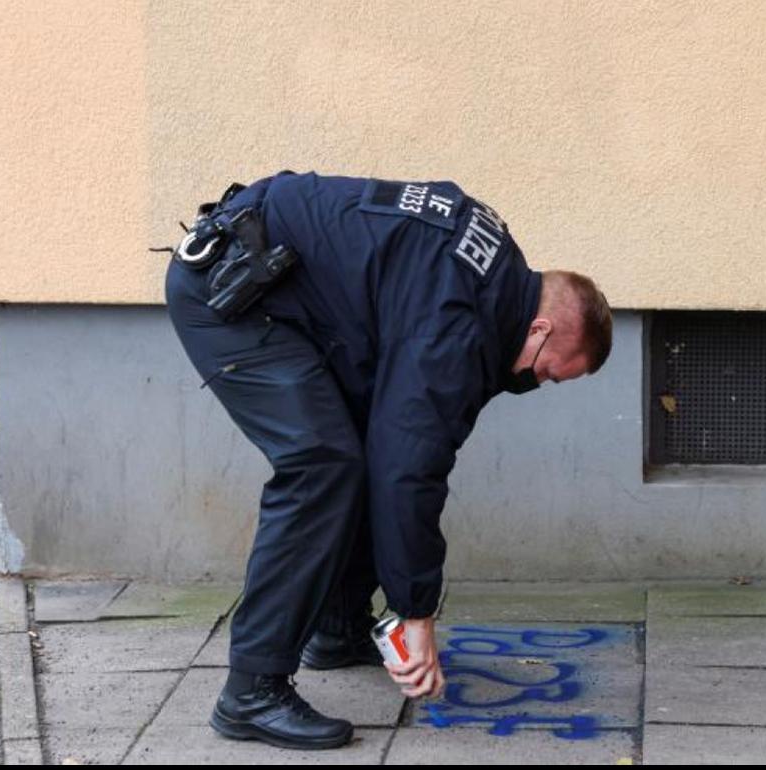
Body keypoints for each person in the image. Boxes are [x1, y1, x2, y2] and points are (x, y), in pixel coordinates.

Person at [163, 170, 613, 750]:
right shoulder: (458, 322)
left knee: (357, 448)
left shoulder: (491, 283)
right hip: (233, 293)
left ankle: (339, 625)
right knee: (321, 465)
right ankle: (251, 691)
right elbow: (410, 469)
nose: (537, 382)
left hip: (280, 285)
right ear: (541, 328)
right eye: (550, 370)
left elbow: (407, 447)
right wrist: (416, 612)